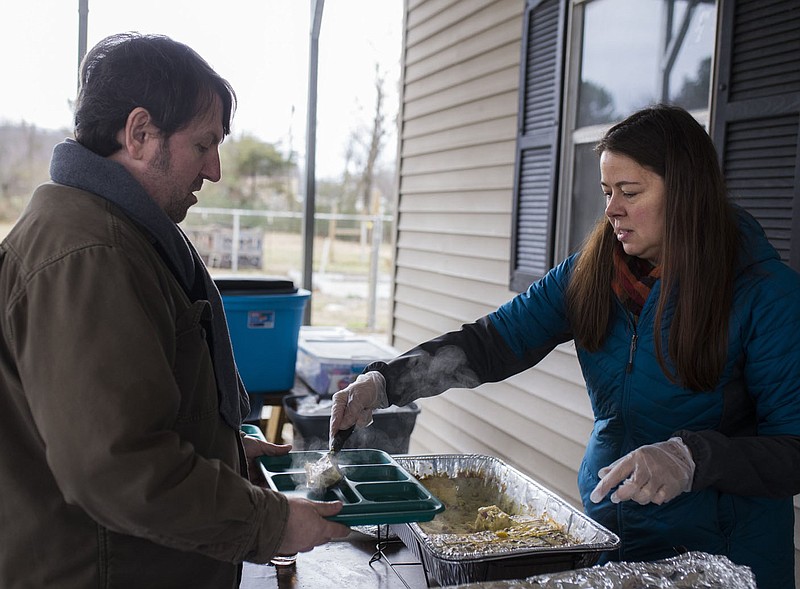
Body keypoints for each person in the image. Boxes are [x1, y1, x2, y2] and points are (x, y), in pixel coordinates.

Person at [329, 104, 800, 589]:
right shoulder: (592, 272)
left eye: (630, 192)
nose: (612, 208)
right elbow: (492, 343)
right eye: (607, 192)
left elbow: (793, 450)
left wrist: (693, 457)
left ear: (686, 192)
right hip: (614, 539)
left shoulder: (765, 294)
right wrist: (384, 382)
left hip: (727, 562)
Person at [0, 33, 348, 589]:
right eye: (203, 145)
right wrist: (273, 523)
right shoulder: (92, 256)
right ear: (139, 134)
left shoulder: (118, 233)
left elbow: (130, 410)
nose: (214, 170)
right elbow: (116, 468)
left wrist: (225, 446)